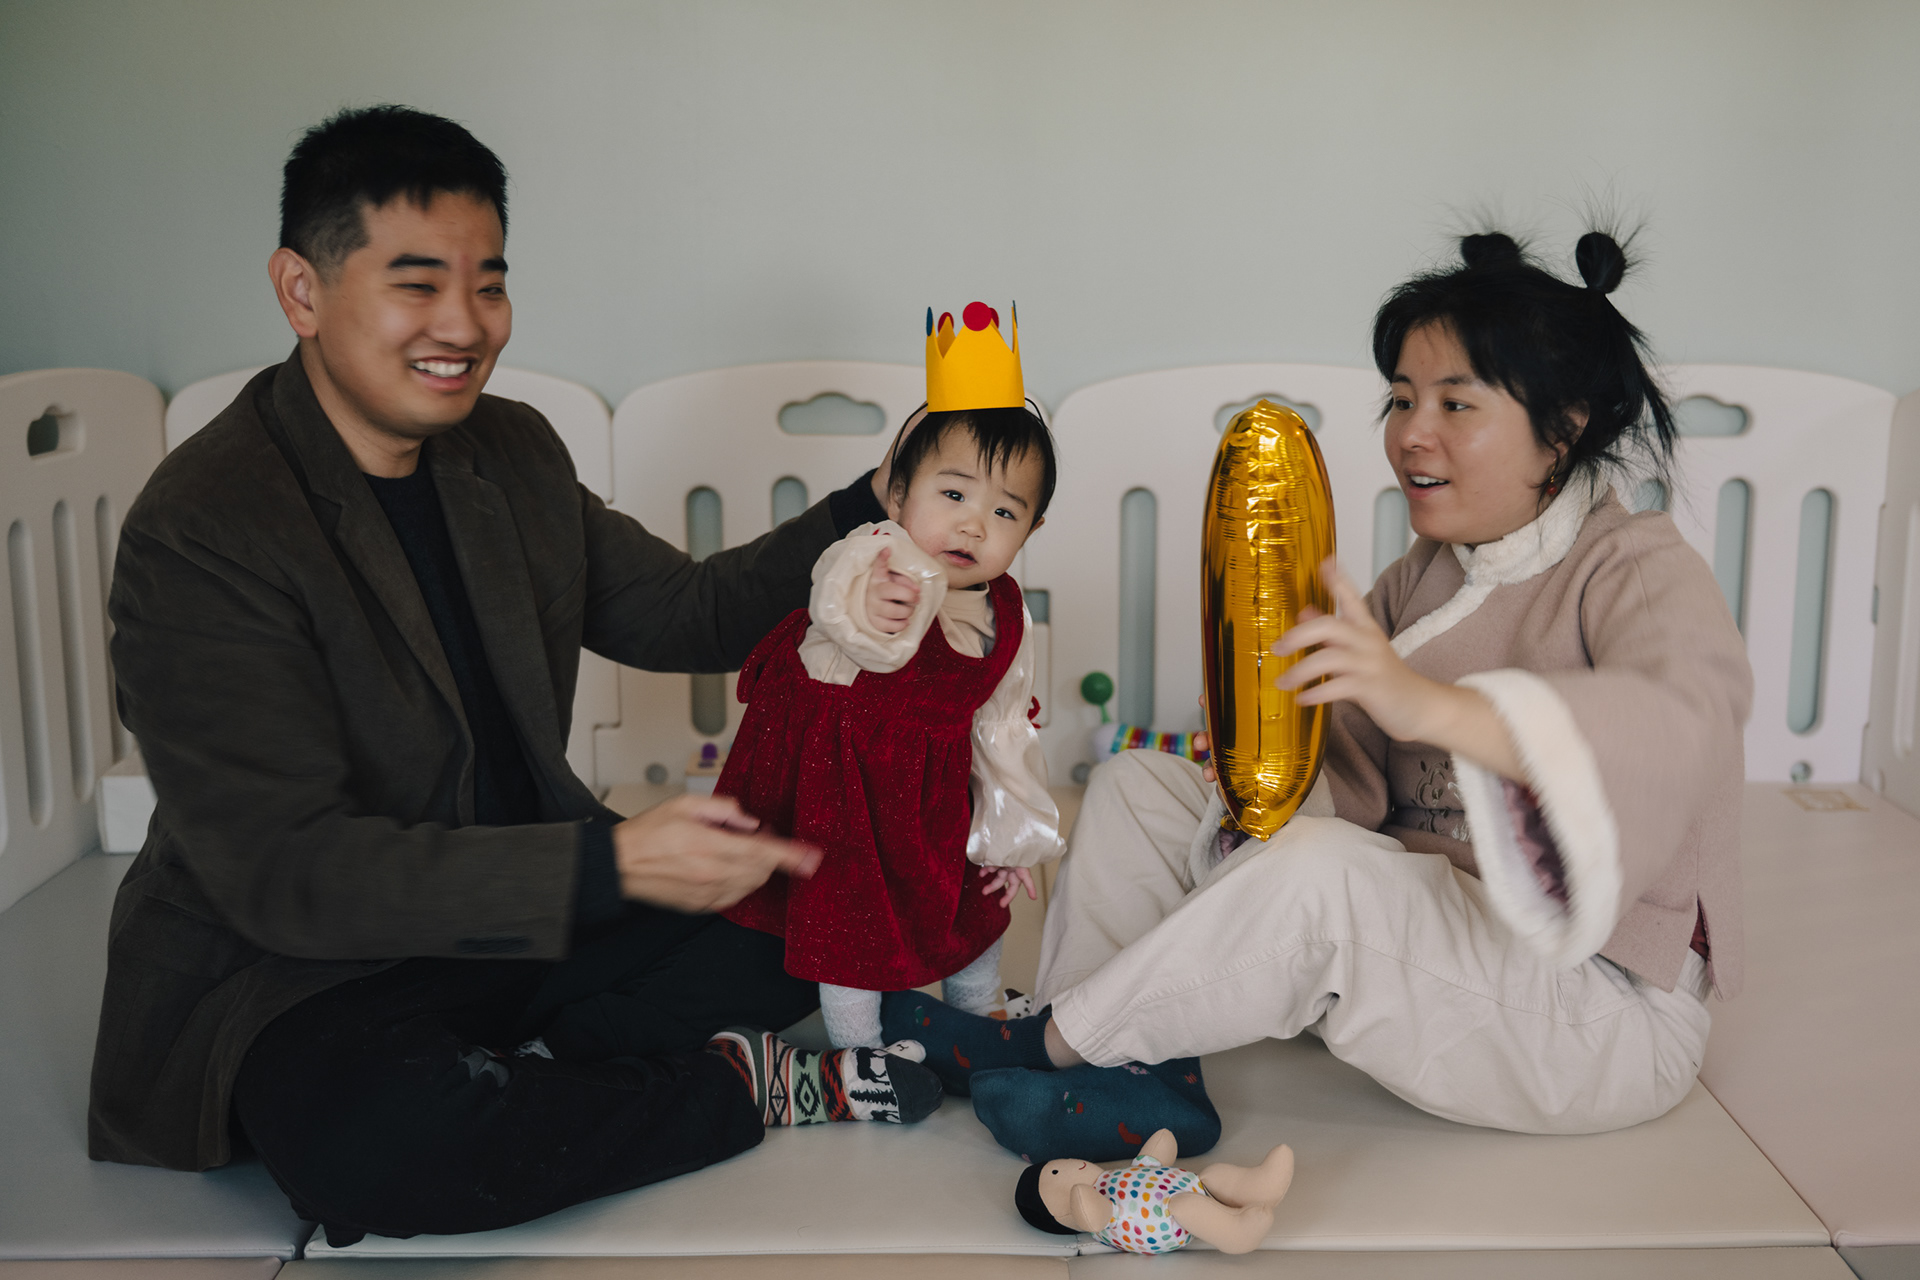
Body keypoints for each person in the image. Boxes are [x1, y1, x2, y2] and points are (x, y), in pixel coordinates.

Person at [86, 104, 941, 1247]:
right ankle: (728, 1086)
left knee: (822, 906)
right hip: (302, 965)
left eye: (488, 284)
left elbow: (687, 610)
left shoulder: (513, 450)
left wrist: (883, 495)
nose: (464, 324)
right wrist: (615, 861)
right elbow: (290, 875)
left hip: (524, 904)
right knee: (379, 1146)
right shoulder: (204, 526)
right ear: (301, 290)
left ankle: (536, 1068)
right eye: (417, 283)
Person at [888, 229, 1752, 1159]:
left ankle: (1052, 1044)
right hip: (1449, 945)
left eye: (1456, 403)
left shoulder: (1634, 563)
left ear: (1563, 429)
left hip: (1596, 1010)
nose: (1411, 433)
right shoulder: (1425, 576)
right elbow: (1347, 779)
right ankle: (1129, 1074)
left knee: (1322, 876)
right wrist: (1258, 770)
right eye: (1401, 399)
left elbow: (1682, 723)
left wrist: (1431, 708)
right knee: (1139, 786)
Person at [718, 302, 1065, 1050]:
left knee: (975, 902)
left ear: (1032, 529)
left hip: (931, 791)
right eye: (953, 494)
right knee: (850, 918)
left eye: (1005, 512)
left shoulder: (1008, 612)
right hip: (842, 782)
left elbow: (1002, 724)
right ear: (899, 494)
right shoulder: (876, 556)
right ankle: (860, 1052)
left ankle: (977, 1024)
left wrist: (1010, 837)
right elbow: (836, 605)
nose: (973, 524)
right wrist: (872, 604)